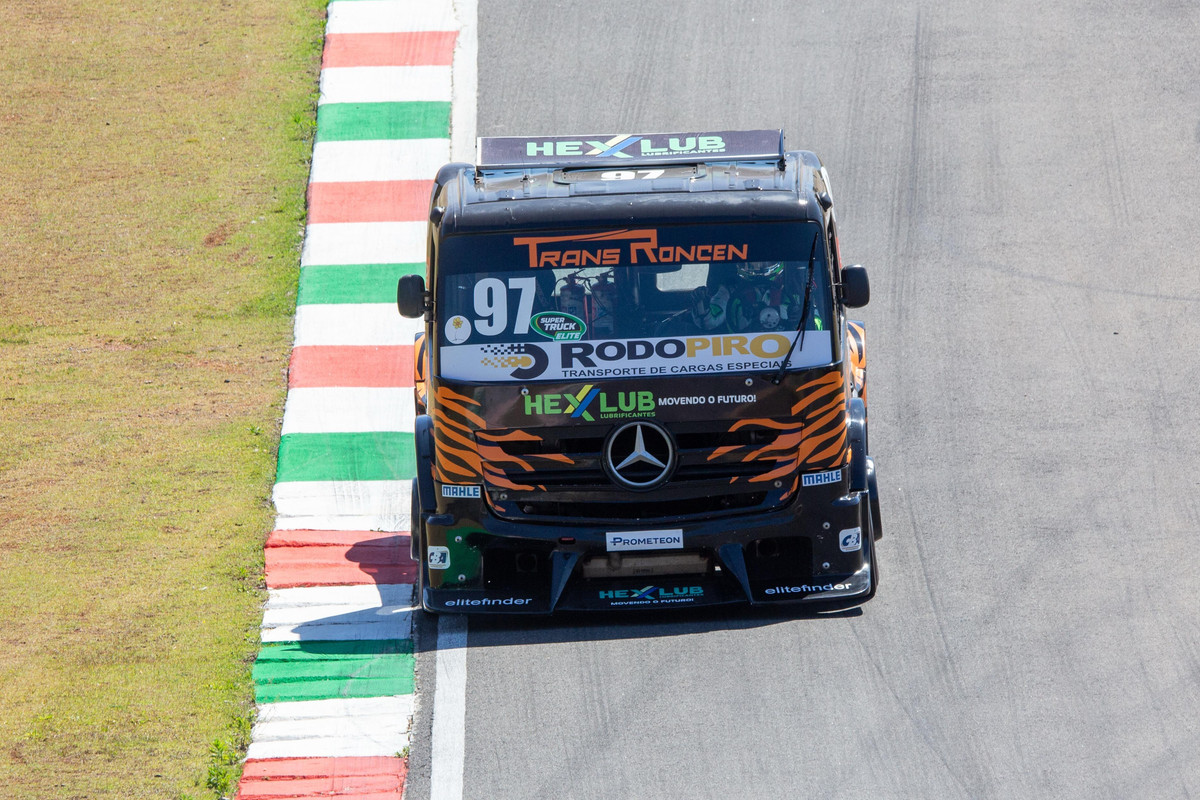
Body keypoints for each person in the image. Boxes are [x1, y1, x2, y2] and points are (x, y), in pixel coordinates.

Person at [690, 261, 823, 333]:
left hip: (787, 350)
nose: (759, 266)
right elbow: (709, 322)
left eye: (765, 262)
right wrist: (701, 304)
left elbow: (819, 326)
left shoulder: (794, 288)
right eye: (752, 263)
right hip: (741, 351)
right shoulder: (729, 290)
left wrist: (804, 318)